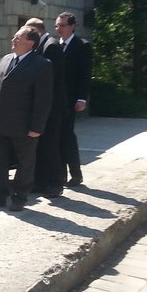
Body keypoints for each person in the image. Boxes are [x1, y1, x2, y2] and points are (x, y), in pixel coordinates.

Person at [0, 27, 53, 212]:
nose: (13, 39)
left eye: (18, 37)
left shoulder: (41, 64)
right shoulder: (5, 60)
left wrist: (37, 126)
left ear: (31, 42)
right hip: (0, 121)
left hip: (24, 123)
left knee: (25, 162)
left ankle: (20, 197)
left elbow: (43, 99)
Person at [25, 17, 65, 197]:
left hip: (52, 106)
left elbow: (50, 79)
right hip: (42, 105)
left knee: (50, 145)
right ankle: (40, 182)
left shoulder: (51, 46)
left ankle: (55, 183)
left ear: (36, 31)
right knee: (39, 146)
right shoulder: (42, 45)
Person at [55, 11, 92, 187]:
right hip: (57, 99)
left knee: (67, 136)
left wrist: (82, 98)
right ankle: (60, 175)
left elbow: (85, 74)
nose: (59, 29)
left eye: (62, 25)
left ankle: (75, 174)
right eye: (57, 25)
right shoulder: (56, 46)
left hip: (70, 99)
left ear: (72, 26)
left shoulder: (81, 46)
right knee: (59, 136)